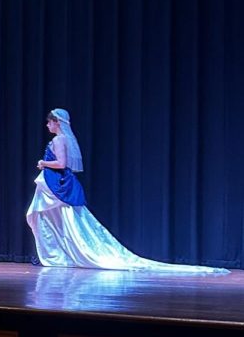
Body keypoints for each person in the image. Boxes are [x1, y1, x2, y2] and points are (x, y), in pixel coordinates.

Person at [26, 109, 227, 273]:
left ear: (57, 123)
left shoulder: (60, 140)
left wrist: (43, 162)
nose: (47, 125)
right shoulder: (64, 139)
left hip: (57, 185)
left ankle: (61, 254)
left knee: (65, 221)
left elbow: (61, 163)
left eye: (49, 122)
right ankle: (59, 254)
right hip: (55, 184)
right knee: (57, 221)